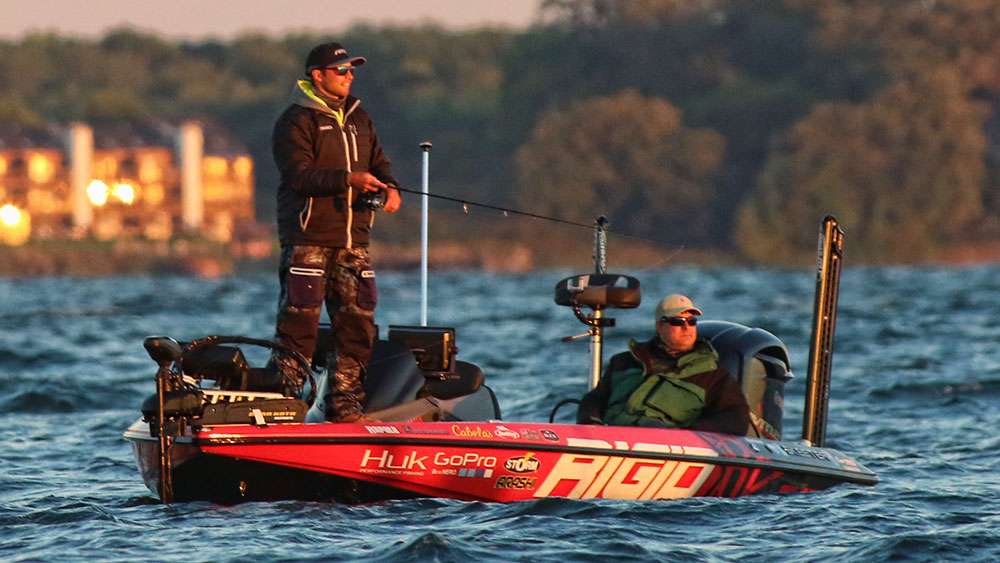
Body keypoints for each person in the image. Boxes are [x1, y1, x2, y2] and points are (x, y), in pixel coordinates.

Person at [270, 41, 402, 422]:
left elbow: (379, 163)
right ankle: (284, 402)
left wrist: (391, 188)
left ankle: (344, 405)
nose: (349, 76)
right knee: (299, 325)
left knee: (359, 325)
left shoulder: (360, 117)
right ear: (318, 75)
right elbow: (299, 176)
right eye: (341, 70)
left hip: (354, 242)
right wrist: (348, 179)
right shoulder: (296, 120)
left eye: (351, 70)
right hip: (307, 239)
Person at [577, 294, 750, 435]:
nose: (686, 327)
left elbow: (736, 419)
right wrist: (591, 423)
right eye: (678, 322)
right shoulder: (623, 362)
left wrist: (688, 433)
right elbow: (595, 399)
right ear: (660, 326)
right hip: (610, 438)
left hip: (667, 446)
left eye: (692, 321)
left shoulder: (714, 377)